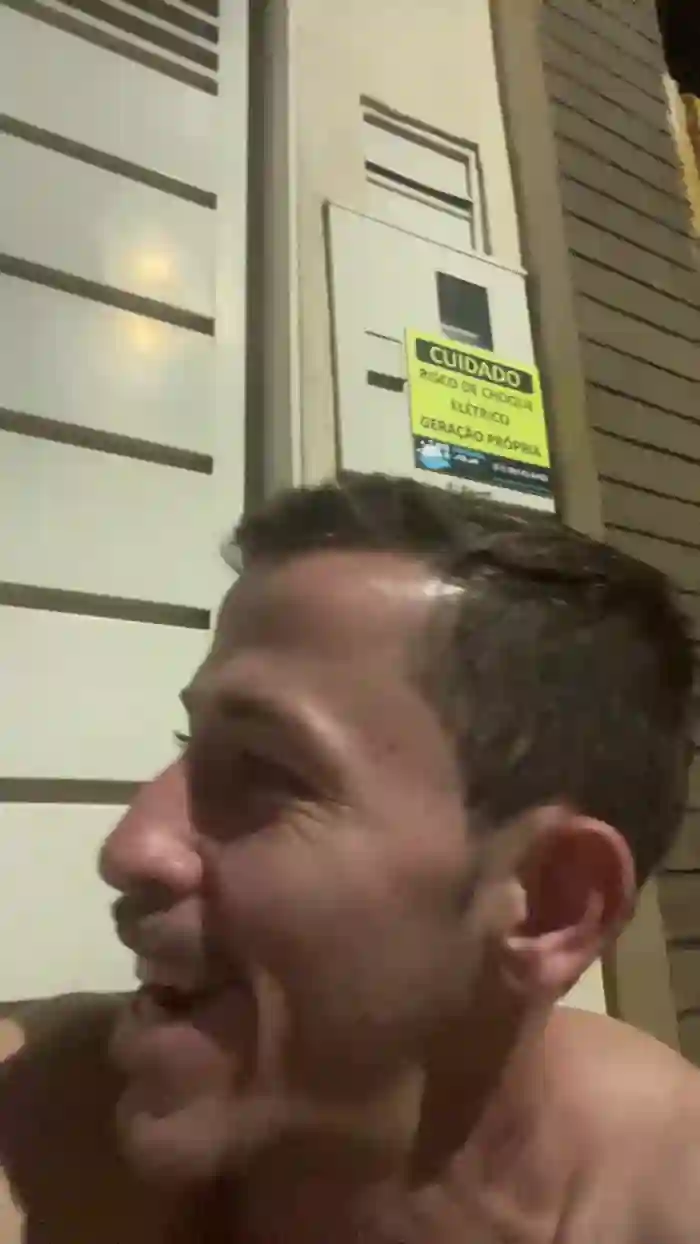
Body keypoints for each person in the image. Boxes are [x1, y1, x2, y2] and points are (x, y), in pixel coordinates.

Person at [2, 471, 700, 1244]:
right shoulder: (39, 1127)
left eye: (265, 771)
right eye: (188, 744)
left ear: (549, 903)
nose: (129, 849)